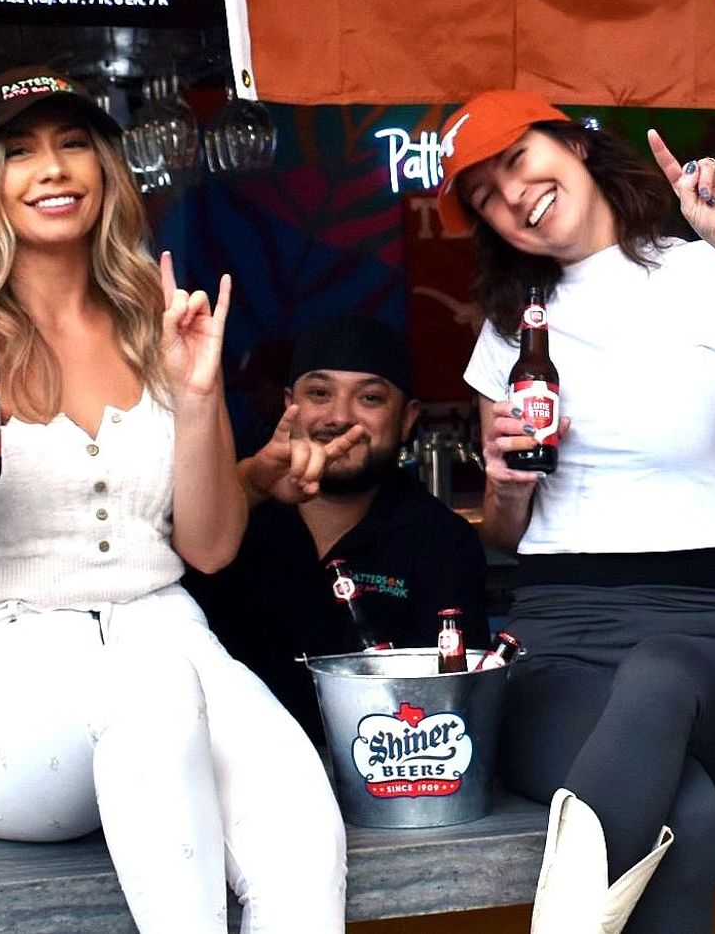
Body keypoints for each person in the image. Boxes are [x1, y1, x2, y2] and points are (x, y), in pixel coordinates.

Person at [0, 68, 346, 934]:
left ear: (107, 170)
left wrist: (198, 397)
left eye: (74, 144)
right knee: (154, 690)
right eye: (19, 150)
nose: (53, 168)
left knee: (300, 814)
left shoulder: (160, 329)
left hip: (172, 643)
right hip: (9, 700)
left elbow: (212, 548)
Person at [447, 90, 715, 934]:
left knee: (660, 677)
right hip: (557, 642)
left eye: (515, 161)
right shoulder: (512, 328)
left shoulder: (708, 275)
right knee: (688, 811)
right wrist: (504, 483)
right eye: (485, 197)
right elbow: (504, 533)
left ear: (573, 145)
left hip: (701, 636)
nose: (511, 197)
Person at [187, 313, 490, 741]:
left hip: (385, 777)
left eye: (369, 398)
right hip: (229, 765)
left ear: (407, 419)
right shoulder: (225, 522)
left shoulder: (441, 541)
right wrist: (252, 486)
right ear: (289, 403)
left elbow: (455, 700)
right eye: (319, 393)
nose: (339, 416)